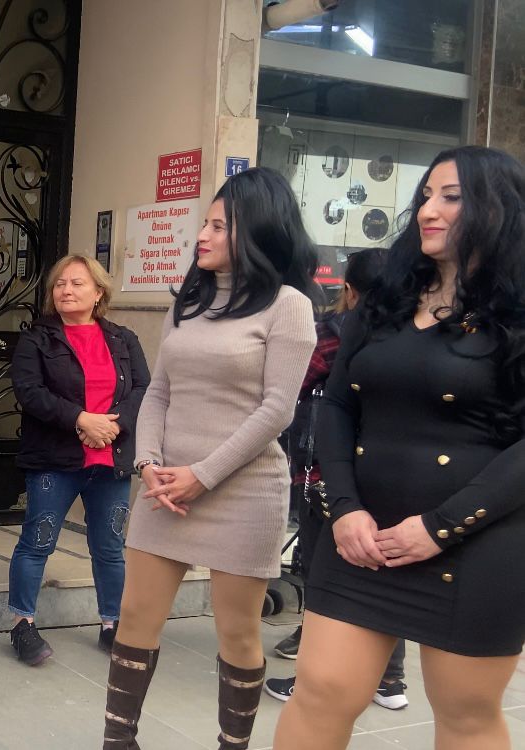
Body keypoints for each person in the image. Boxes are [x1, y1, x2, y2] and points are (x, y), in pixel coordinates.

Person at [274, 146, 525, 750]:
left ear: (499, 209)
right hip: (360, 536)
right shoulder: (387, 298)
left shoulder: (517, 312)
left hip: (477, 541)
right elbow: (338, 405)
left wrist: (441, 527)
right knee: (320, 691)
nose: (428, 211)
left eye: (451, 197)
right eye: (426, 196)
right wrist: (344, 508)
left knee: (465, 713)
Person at [101, 167, 319, 750]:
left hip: (244, 492)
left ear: (257, 230)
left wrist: (203, 475)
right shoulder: (189, 302)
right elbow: (158, 392)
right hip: (164, 488)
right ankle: (118, 742)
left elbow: (277, 410)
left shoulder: (288, 306)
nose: (202, 235)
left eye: (219, 226)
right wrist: (148, 464)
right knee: (134, 619)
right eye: (205, 223)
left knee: (238, 633)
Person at [264, 248, 411, 710]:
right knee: (382, 574)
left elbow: (296, 383)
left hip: (330, 475)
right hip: (394, 475)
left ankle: (312, 679)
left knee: (325, 577)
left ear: (349, 289)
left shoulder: (336, 333)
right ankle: (390, 681)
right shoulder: (416, 333)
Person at [7, 254, 150, 664]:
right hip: (55, 460)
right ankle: (22, 625)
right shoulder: (37, 339)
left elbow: (143, 389)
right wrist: (81, 420)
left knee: (110, 546)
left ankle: (112, 625)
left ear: (99, 293)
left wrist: (112, 427)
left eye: (77, 283)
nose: (66, 290)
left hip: (111, 460)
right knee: (38, 542)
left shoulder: (124, 339)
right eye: (60, 284)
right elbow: (29, 392)